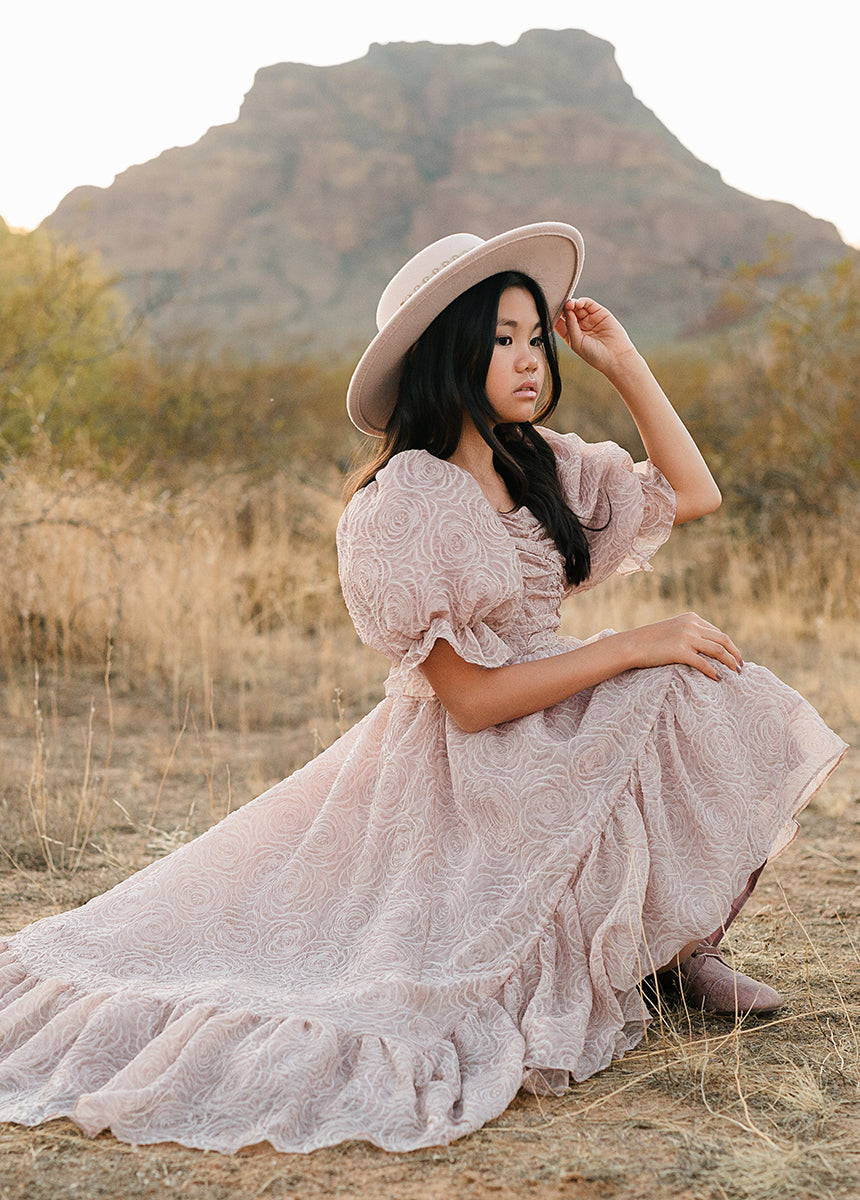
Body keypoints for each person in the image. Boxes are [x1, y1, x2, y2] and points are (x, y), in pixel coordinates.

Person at [0, 223, 846, 1156]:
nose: (530, 360)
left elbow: (694, 492)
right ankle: (653, 954)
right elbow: (471, 702)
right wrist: (628, 646)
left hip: (551, 708)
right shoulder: (405, 498)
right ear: (449, 352)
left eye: (536, 338)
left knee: (710, 684)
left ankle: (680, 950)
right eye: (502, 339)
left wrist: (624, 362)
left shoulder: (540, 463)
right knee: (657, 674)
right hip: (466, 754)